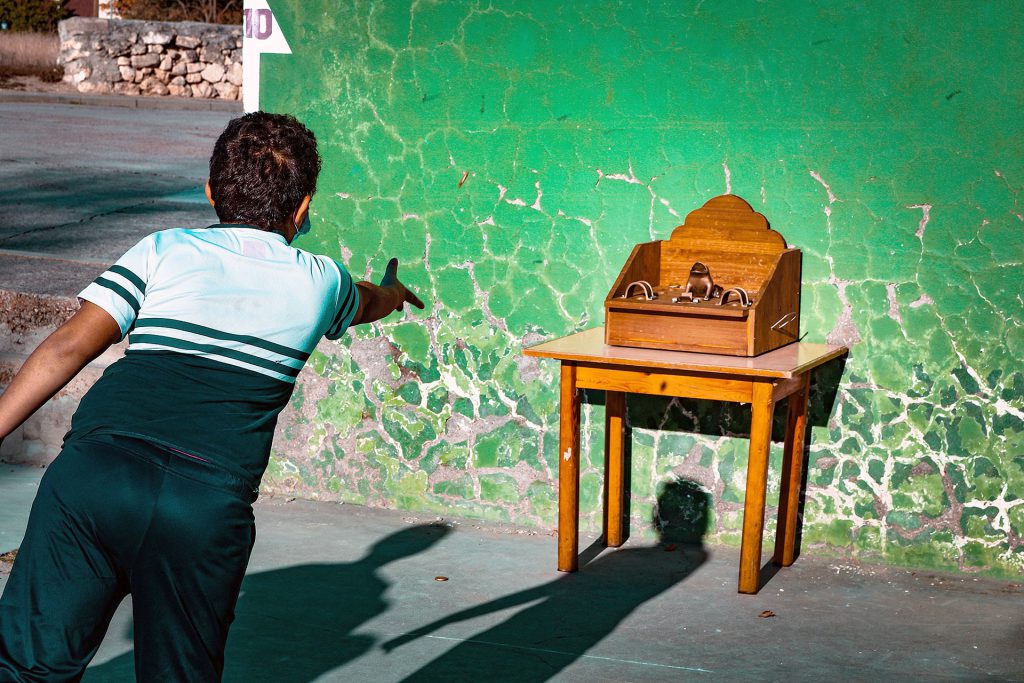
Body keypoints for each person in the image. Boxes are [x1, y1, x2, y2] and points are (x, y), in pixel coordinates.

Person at [0, 112, 424, 682]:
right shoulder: (322, 280)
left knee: (27, 670)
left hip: (93, 480)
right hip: (203, 508)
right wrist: (396, 293)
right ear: (302, 209)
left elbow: (67, 347)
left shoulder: (162, 250)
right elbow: (371, 299)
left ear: (209, 194)